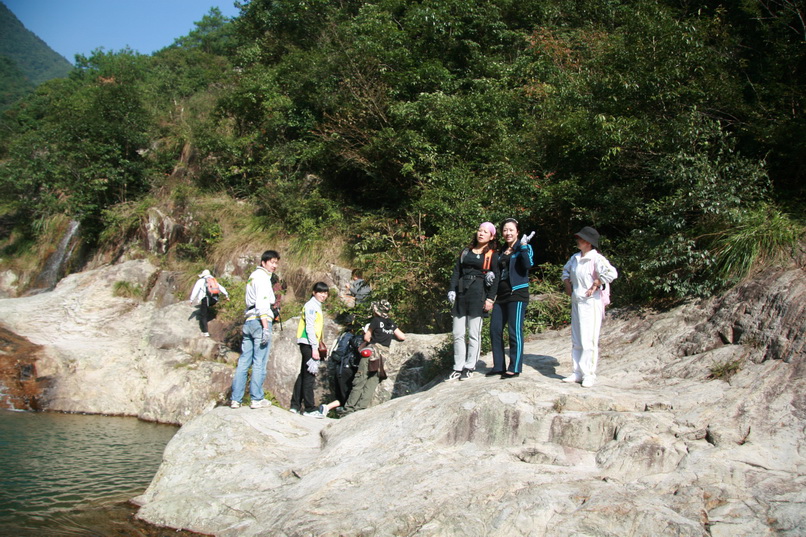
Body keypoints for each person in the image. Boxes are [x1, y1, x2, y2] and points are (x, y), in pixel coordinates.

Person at [561, 227, 618, 388]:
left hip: (591, 302)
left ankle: (589, 374)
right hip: (577, 300)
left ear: (588, 242)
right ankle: (577, 371)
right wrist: (567, 284)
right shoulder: (575, 258)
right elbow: (565, 271)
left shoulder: (596, 259)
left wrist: (597, 282)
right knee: (577, 338)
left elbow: (612, 273)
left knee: (589, 339)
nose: (577, 241)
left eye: (580, 239)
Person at [446, 222, 500, 381]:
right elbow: (457, 272)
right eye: (480, 230)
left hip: (479, 293)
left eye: (485, 232)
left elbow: (495, 278)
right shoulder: (465, 252)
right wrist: (451, 289)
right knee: (458, 333)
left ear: (492, 236)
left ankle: (469, 366)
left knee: (474, 333)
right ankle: (458, 366)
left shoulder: (492, 254)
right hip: (462, 293)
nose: (481, 233)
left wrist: (490, 298)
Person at [230, 251, 280, 409]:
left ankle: (235, 399)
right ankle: (256, 398)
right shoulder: (263, 278)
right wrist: (266, 327)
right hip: (260, 321)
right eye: (272, 262)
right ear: (264, 262)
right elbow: (262, 304)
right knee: (259, 362)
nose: (274, 265)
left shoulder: (252, 276)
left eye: (276, 262)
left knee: (244, 361)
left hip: (249, 321)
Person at [489, 219, 535, 379]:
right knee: (494, 329)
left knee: (514, 331)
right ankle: (498, 365)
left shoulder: (523, 247)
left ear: (517, 231)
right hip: (501, 296)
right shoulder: (502, 250)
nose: (508, 233)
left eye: (511, 230)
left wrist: (523, 247)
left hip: (517, 294)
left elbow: (528, 264)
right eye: (505, 230)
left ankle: (514, 367)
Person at [342, 300, 405, 414]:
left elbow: (366, 338)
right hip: (382, 357)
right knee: (372, 382)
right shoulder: (391, 323)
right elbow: (402, 336)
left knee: (360, 380)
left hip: (371, 354)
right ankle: (361, 408)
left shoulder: (376, 321)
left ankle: (349, 408)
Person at [291, 282, 330, 417]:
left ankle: (295, 405)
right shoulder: (311, 306)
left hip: (309, 343)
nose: (323, 295)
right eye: (320, 292)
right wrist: (314, 348)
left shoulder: (316, 306)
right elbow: (310, 328)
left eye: (325, 293)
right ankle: (309, 408)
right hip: (308, 343)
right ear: (314, 292)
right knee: (310, 376)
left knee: (304, 374)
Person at [189, 269, 229, 337]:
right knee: (206, 309)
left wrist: (191, 300)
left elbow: (195, 290)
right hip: (214, 299)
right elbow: (221, 288)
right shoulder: (213, 280)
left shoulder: (201, 281)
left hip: (206, 299)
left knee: (203, 315)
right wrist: (227, 295)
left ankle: (205, 332)